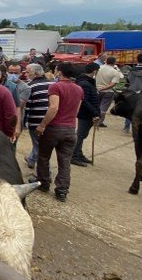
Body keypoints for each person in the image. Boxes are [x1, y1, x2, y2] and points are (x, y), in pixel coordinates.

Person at [34, 63, 84, 202]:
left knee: (44, 156)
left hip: (54, 127)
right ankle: (62, 190)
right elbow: (76, 110)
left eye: (56, 70)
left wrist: (42, 125)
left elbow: (53, 108)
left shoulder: (55, 86)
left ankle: (43, 183)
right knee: (65, 160)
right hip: (70, 128)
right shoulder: (79, 89)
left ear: (60, 72)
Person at [23, 63, 51, 170]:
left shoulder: (30, 86)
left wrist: (24, 122)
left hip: (36, 121)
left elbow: (27, 107)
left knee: (38, 145)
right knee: (40, 144)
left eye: (28, 72)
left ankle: (44, 173)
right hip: (52, 120)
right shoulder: (53, 83)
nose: (25, 74)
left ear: (35, 73)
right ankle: (31, 158)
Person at [71, 63, 100, 166]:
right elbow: (84, 101)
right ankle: (74, 156)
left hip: (88, 113)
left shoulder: (88, 82)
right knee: (80, 135)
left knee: (82, 135)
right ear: (94, 71)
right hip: (85, 114)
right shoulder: (85, 84)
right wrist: (95, 112)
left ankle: (78, 153)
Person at [95, 56, 122, 127]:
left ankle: (94, 119)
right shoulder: (115, 71)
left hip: (97, 90)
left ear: (106, 61)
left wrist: (99, 88)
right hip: (108, 91)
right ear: (114, 62)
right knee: (103, 107)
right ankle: (99, 122)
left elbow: (93, 78)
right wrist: (104, 88)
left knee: (96, 105)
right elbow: (113, 84)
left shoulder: (98, 68)